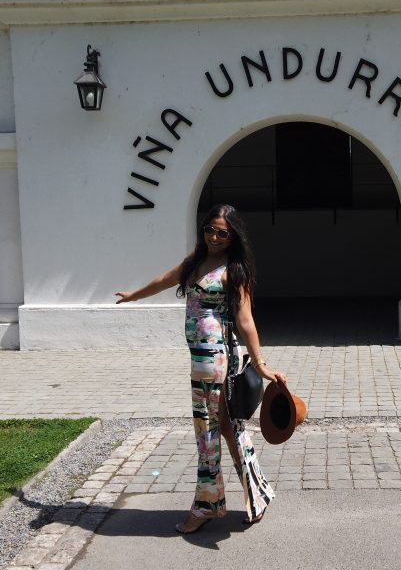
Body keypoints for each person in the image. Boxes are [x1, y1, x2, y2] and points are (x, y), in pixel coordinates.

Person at [114, 203, 287, 534]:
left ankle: (206, 506)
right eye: (210, 230)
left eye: (222, 233)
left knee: (207, 432)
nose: (214, 237)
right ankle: (257, 494)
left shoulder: (233, 270)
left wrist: (261, 365)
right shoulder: (196, 261)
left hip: (215, 360)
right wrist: (135, 295)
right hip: (202, 359)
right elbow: (164, 280)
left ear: (233, 236)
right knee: (227, 428)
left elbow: (245, 320)